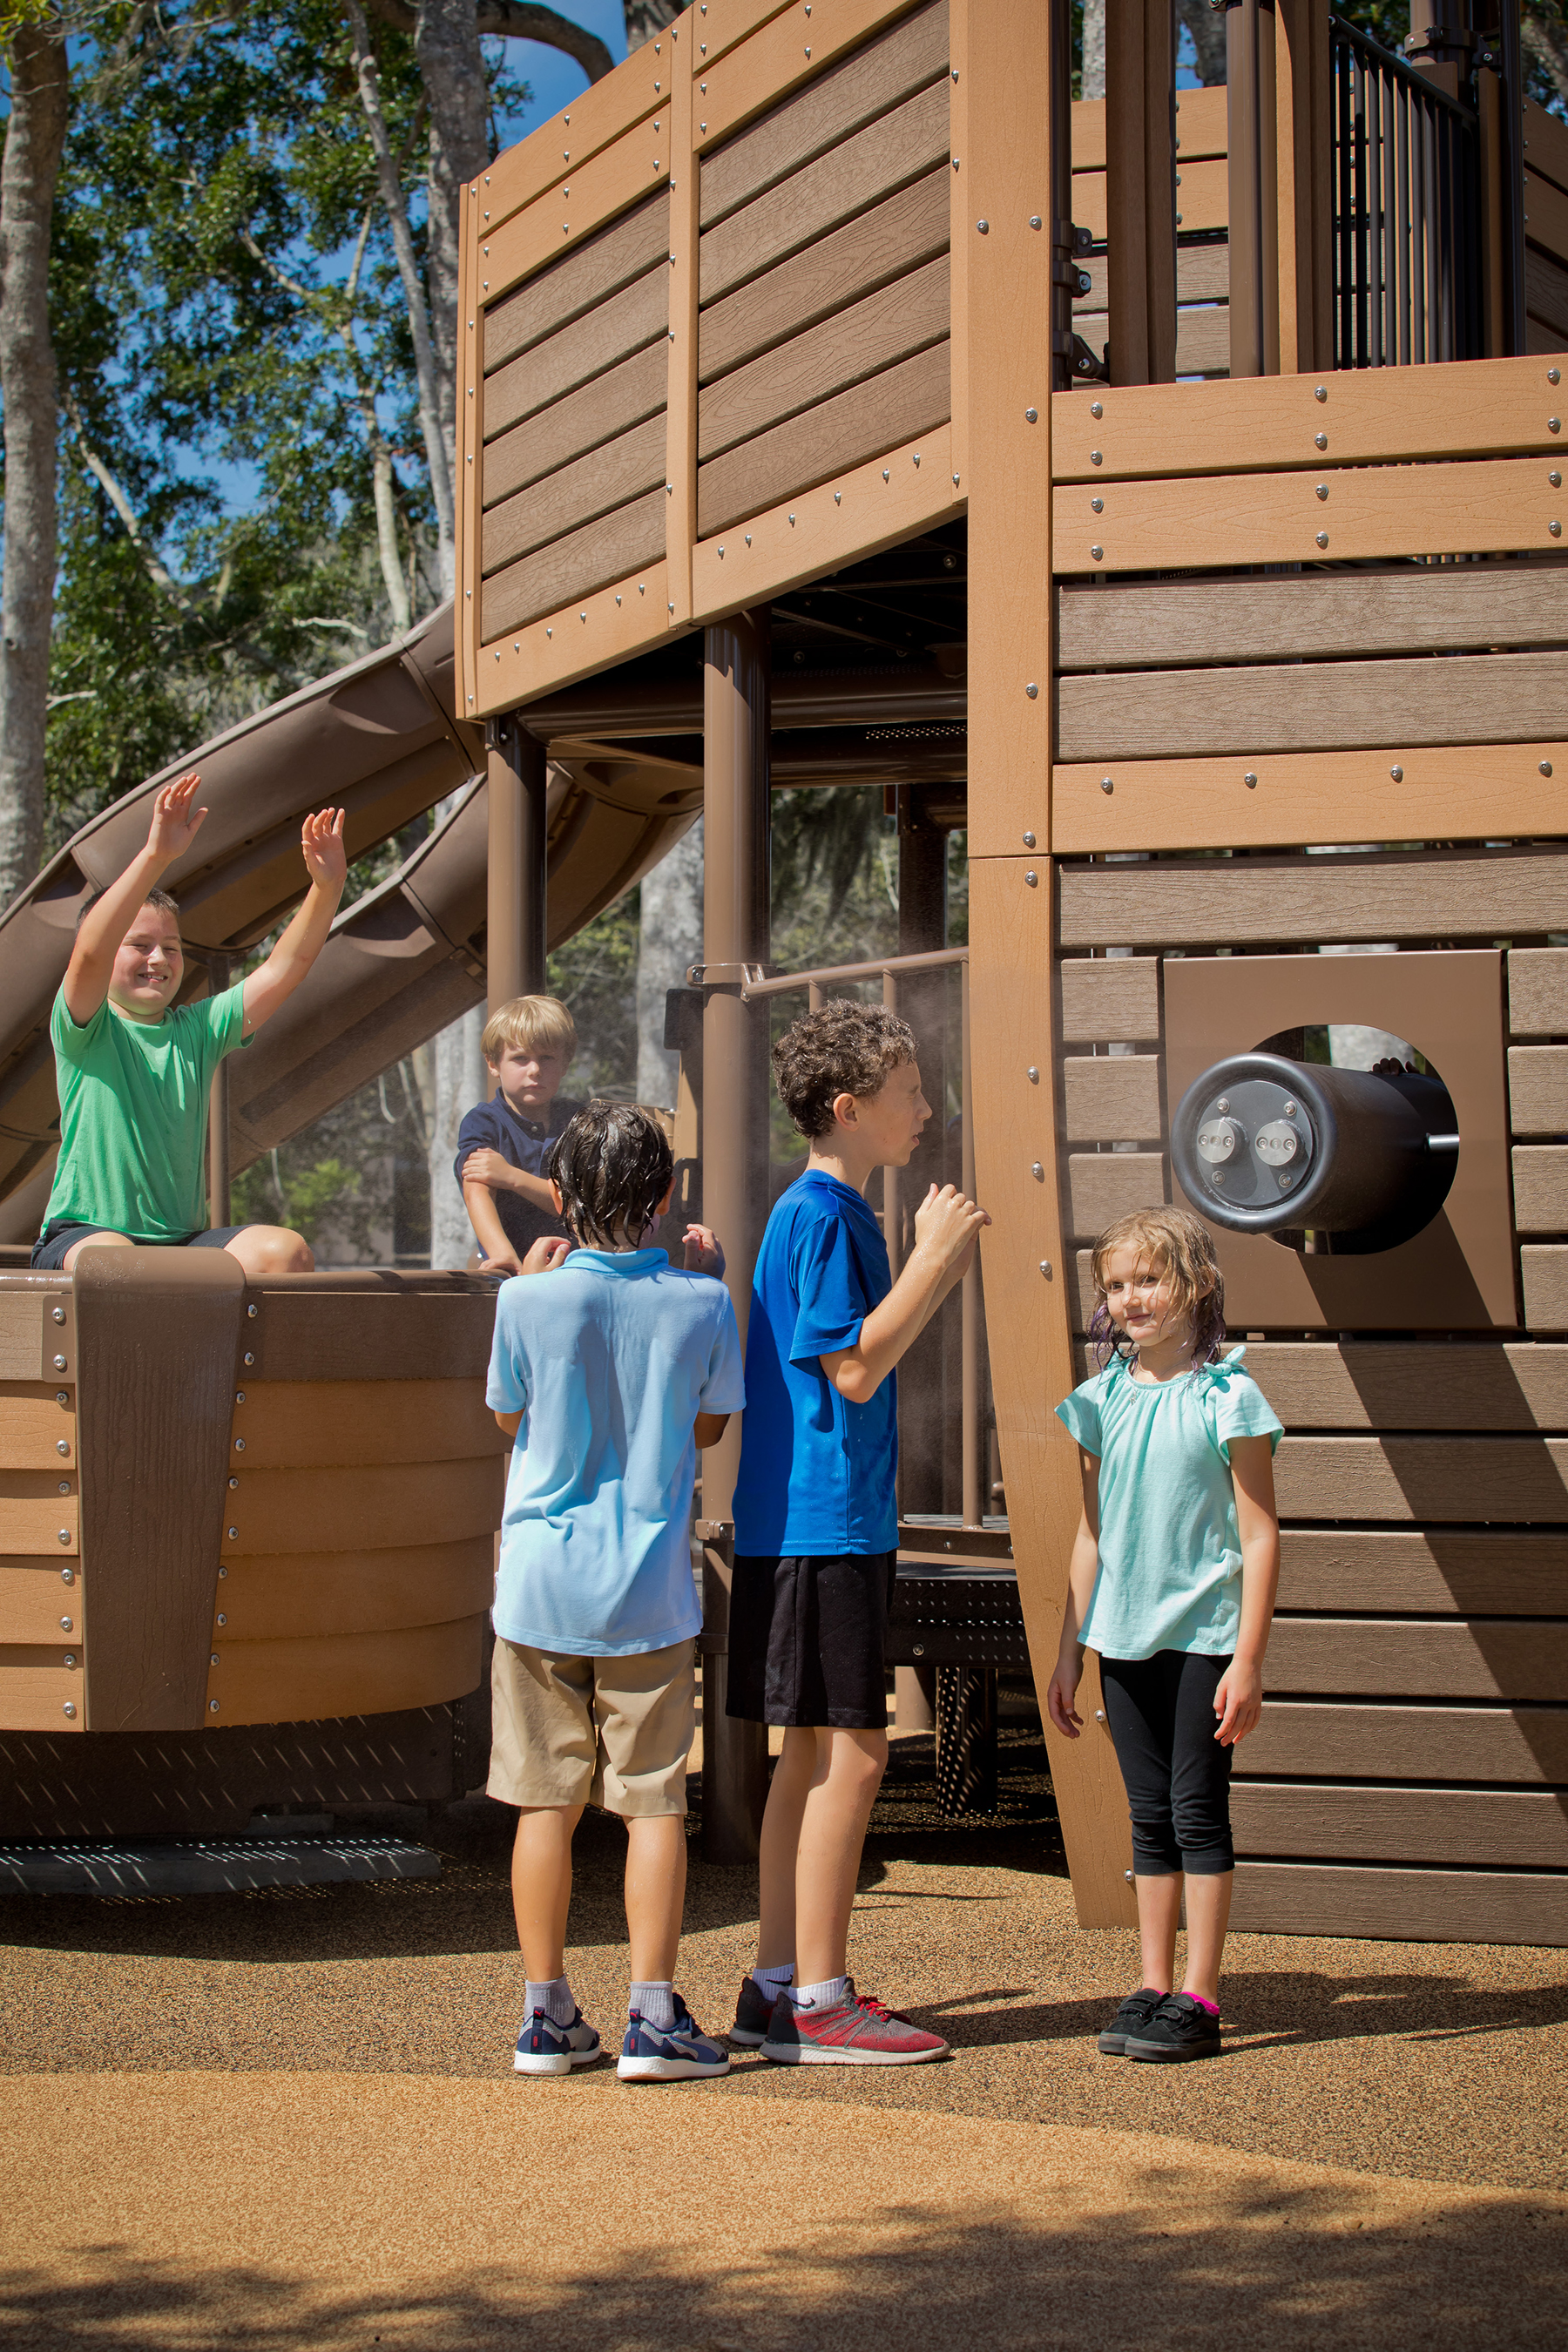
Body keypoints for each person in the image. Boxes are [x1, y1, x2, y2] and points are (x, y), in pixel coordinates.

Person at [726, 1000, 989, 2065]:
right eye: (909, 1092)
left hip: (808, 1522)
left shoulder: (813, 1213)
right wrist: (934, 1258)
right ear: (848, 1108)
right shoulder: (829, 1217)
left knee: (808, 1755)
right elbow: (856, 1368)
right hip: (824, 1524)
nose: (926, 1108)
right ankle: (821, 2002)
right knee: (858, 1756)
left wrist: (931, 1267)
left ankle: (776, 1987)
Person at [485, 1099, 743, 2082]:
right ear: (665, 1195)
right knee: (652, 1805)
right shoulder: (702, 1302)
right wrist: (706, 1280)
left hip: (539, 1587)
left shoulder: (525, 1301)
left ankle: (545, 2016)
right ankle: (653, 2017)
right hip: (647, 1590)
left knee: (541, 1802)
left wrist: (531, 1287)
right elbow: (710, 1428)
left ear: (558, 1198)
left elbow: (507, 1419)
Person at [1047, 1206, 1282, 2065]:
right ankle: (1151, 1985)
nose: (1132, 1298)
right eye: (1117, 1285)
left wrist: (1248, 1660)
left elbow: (1260, 1534)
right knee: (1148, 1818)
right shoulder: (1100, 1401)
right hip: (1122, 1640)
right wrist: (1068, 1650)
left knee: (1197, 1813)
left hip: (1205, 1639)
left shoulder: (1230, 1397)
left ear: (1197, 1284)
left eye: (1149, 1279)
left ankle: (1201, 1996)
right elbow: (1091, 1533)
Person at [32, 771, 348, 1276]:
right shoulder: (85, 1026)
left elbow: (284, 969)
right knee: (116, 1261)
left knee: (286, 1252)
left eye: (172, 948)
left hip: (179, 1242)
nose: (158, 958)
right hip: (86, 1234)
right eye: (139, 945)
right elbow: (90, 952)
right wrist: (156, 855)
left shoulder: (197, 1031)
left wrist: (327, 887)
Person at [455, 995, 581, 1278]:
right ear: (493, 1064)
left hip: (577, 1270)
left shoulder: (580, 1122)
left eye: (547, 1058)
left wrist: (511, 1177)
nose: (535, 1070)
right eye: (520, 1058)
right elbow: (477, 1187)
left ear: (565, 1064)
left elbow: (582, 1206)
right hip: (512, 1270)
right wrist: (503, 1257)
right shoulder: (484, 1122)